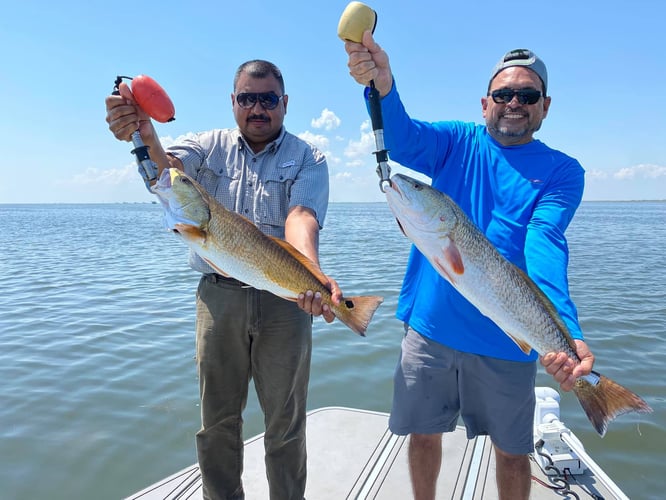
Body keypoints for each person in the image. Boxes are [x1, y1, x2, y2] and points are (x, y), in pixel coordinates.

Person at [344, 33, 596, 500]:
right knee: (422, 435)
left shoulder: (563, 171)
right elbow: (402, 137)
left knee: (513, 452)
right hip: (429, 329)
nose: (514, 103)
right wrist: (382, 83)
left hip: (507, 337)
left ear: (545, 106)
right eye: (503, 94)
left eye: (527, 95)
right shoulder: (457, 142)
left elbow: (545, 242)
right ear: (485, 104)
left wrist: (566, 328)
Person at [106, 59, 341, 500]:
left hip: (286, 305)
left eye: (268, 99)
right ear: (233, 102)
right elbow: (170, 172)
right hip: (218, 299)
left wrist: (311, 276)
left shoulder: (309, 157)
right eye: (248, 98)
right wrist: (145, 134)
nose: (258, 108)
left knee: (286, 425)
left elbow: (301, 216)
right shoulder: (206, 145)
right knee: (216, 424)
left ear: (284, 103)